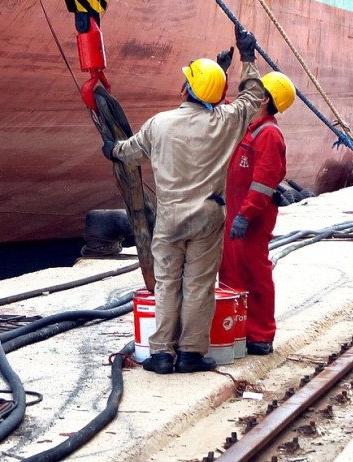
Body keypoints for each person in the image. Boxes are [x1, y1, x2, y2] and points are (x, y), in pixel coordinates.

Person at [101, 25, 266, 374]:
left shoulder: (160, 124)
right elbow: (253, 97)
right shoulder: (227, 121)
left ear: (187, 87)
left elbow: (129, 153)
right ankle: (191, 352)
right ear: (217, 94)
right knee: (199, 286)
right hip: (208, 214)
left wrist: (111, 149)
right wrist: (247, 58)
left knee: (167, 284)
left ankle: (161, 354)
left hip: (170, 216)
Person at [219, 70, 297, 356]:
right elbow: (225, 110)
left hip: (251, 218)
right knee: (230, 272)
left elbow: (264, 183)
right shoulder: (249, 127)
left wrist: (246, 215)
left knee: (255, 273)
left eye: (254, 90)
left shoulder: (268, 135)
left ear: (264, 99)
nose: (248, 94)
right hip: (237, 214)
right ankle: (238, 331)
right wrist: (222, 75)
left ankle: (261, 335)